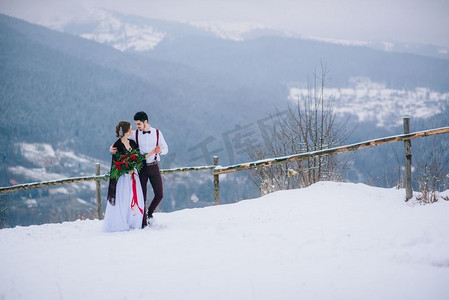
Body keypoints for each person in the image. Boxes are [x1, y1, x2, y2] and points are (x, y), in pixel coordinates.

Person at [111, 111, 168, 228]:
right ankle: (142, 222)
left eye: (138, 124)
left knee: (159, 194)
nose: (137, 126)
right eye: (136, 124)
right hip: (141, 168)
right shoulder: (135, 134)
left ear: (145, 121)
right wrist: (111, 149)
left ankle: (150, 213)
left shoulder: (157, 133)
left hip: (154, 166)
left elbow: (166, 148)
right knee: (141, 196)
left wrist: (160, 151)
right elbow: (122, 140)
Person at [103, 121, 145, 232]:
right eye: (131, 129)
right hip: (123, 177)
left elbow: (137, 157)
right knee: (123, 198)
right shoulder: (117, 145)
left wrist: (133, 167)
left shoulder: (132, 143)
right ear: (126, 131)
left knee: (134, 197)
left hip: (133, 176)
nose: (132, 131)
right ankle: (121, 222)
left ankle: (133, 221)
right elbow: (117, 163)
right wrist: (127, 169)